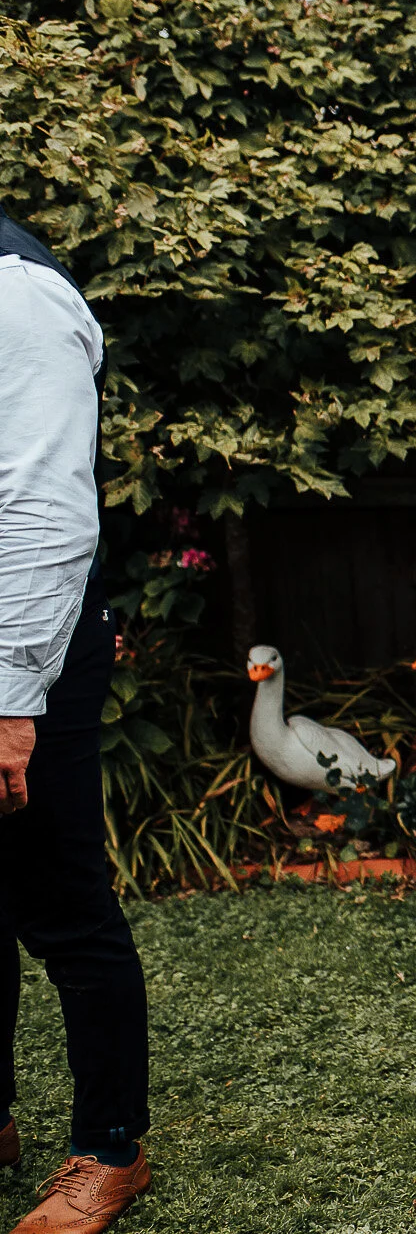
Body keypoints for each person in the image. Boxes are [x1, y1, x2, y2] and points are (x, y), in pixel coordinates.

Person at [0, 207, 153, 1232]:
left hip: (25, 647)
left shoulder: (17, 294)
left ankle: (110, 1148)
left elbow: (46, 509)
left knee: (62, 903)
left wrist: (11, 700)